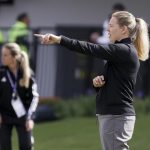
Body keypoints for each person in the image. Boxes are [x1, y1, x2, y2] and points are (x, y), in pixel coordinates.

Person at [34, 11, 149, 150]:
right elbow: (116, 83)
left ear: (124, 29)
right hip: (114, 115)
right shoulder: (123, 52)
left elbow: (91, 48)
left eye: (111, 26)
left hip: (116, 115)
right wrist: (99, 83)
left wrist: (59, 39)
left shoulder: (124, 50)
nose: (108, 29)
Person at [0, 43, 39, 150]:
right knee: (4, 146)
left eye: (5, 55)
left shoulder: (27, 73)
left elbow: (34, 98)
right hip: (4, 116)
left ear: (14, 56)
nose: (2, 57)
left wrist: (30, 118)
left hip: (23, 116)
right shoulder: (2, 73)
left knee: (26, 146)